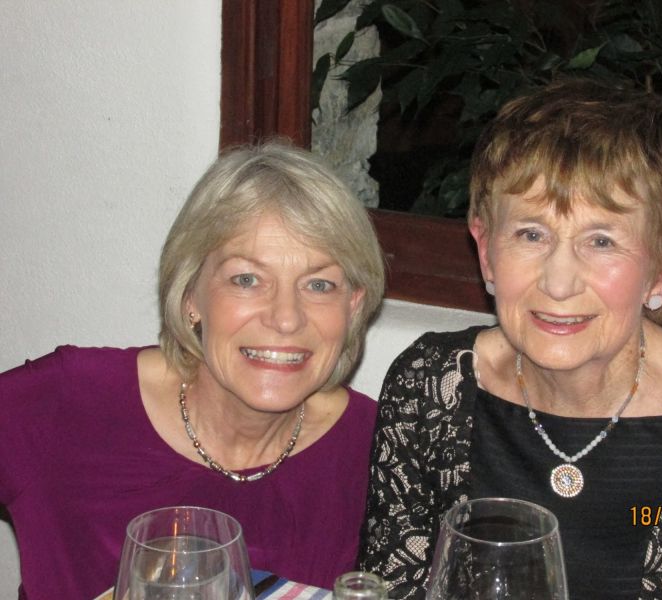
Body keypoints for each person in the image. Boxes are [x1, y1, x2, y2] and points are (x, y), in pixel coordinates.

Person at [358, 79, 662, 599]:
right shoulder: (431, 390)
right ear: (485, 250)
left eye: (601, 241)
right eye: (531, 234)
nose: (559, 282)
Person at [0, 141, 385, 599]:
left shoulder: (382, 449)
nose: (286, 318)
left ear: (352, 306)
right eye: (247, 279)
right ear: (190, 296)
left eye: (319, 285)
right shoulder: (71, 405)